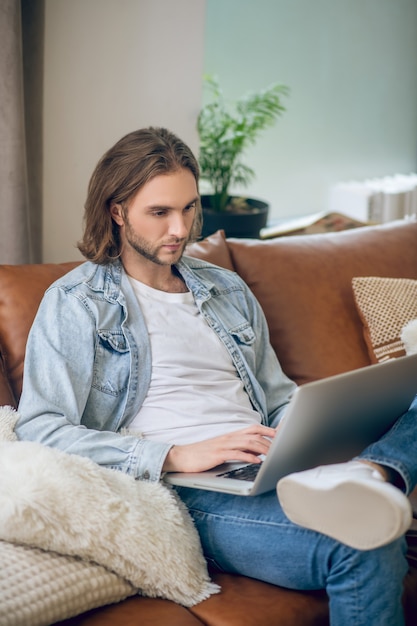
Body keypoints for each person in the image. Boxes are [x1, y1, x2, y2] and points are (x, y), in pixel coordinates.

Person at [16, 127, 417, 625]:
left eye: (188, 208)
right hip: (193, 487)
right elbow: (40, 428)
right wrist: (178, 455)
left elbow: (276, 396)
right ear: (117, 212)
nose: (180, 228)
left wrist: (302, 433)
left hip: (274, 460)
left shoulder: (225, 287)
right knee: (365, 539)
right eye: (159, 213)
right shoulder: (77, 303)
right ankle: (370, 483)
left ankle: (369, 471)